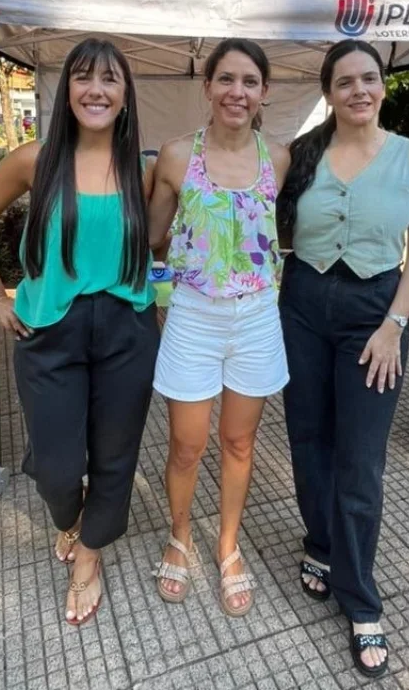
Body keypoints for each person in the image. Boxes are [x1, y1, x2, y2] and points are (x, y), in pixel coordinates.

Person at [0, 38, 159, 627]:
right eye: (84, 77)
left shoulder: (143, 172)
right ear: (66, 89)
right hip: (49, 330)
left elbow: (163, 239)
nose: (97, 90)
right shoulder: (34, 160)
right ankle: (70, 518)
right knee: (56, 466)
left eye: (110, 80)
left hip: (127, 329)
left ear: (126, 95)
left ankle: (90, 554)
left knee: (116, 455)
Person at [276, 39, 409, 677]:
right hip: (302, 306)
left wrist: (394, 325)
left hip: (376, 313)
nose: (358, 91)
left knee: (361, 459)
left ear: (383, 85)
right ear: (328, 92)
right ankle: (319, 542)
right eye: (344, 82)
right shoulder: (301, 154)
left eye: (368, 78)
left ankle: (361, 598)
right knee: (308, 438)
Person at [147, 38, 291, 617]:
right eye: (226, 79)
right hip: (194, 315)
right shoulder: (177, 156)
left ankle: (228, 544)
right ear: (207, 87)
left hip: (256, 317)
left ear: (264, 92)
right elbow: (153, 236)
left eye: (249, 81)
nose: (237, 91)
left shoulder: (278, 157)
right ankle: (179, 535)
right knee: (187, 445)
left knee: (239, 442)